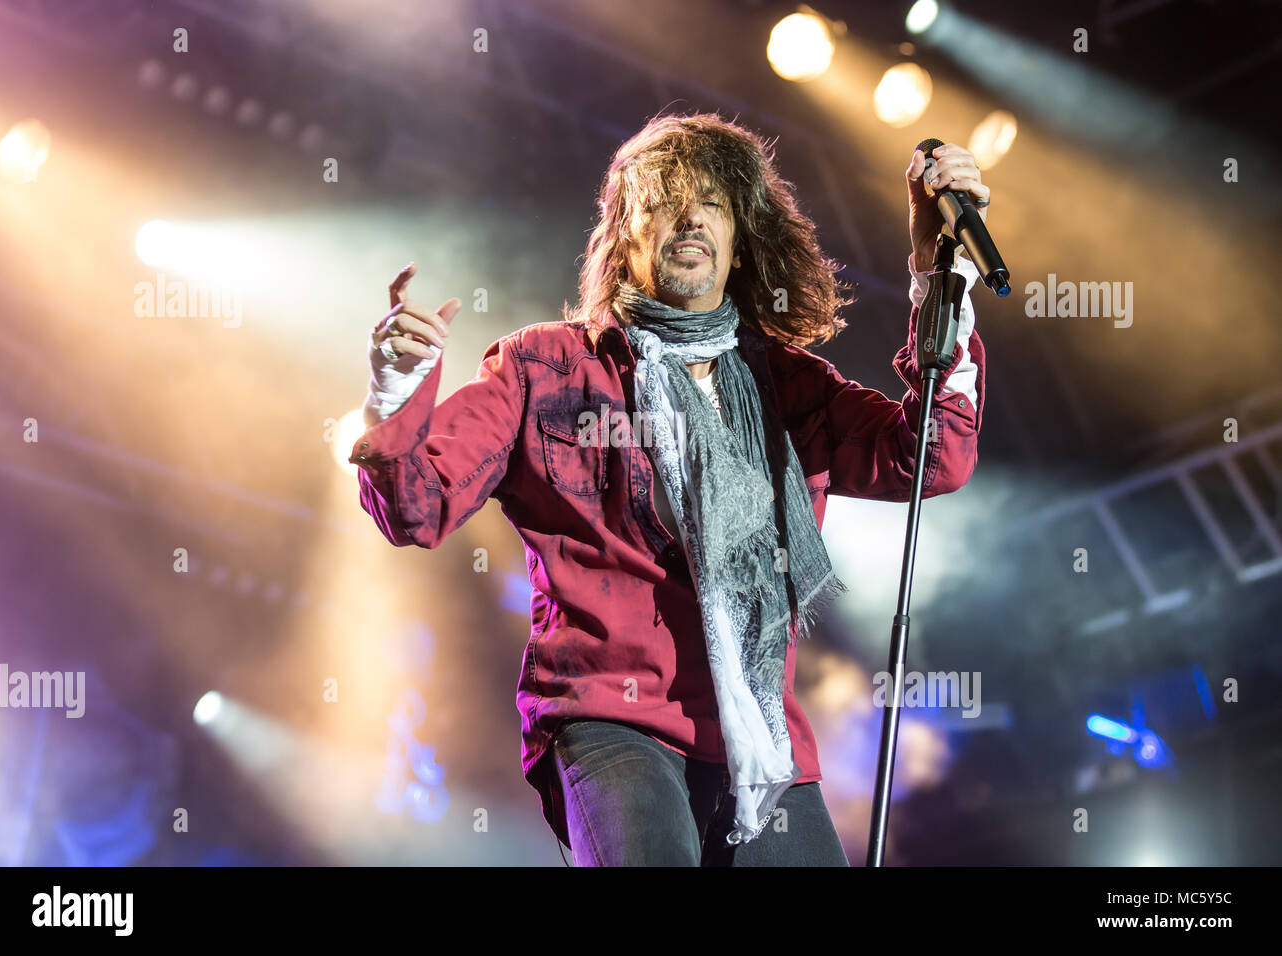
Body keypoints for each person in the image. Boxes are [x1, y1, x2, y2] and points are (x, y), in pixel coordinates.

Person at [350, 113, 989, 866]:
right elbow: (415, 506)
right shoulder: (543, 368)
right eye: (663, 200)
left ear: (741, 237)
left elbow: (931, 460)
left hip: (757, 736)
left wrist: (936, 275)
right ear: (625, 235)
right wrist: (395, 389)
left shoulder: (785, 384)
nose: (688, 217)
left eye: (712, 201)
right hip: (610, 720)